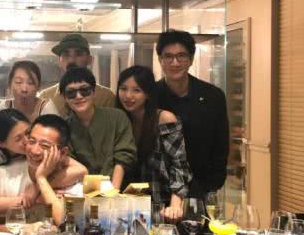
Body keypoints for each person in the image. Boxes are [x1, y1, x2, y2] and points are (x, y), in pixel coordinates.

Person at [0, 109, 87, 225]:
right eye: (31, 141)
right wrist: (36, 200)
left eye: (45, 145)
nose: (34, 150)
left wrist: (40, 181)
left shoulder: (72, 182)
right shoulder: (4, 174)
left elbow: (65, 224)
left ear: (63, 153)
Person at [155, 30, 229, 197]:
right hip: (160, 189)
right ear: (160, 60)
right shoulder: (151, 96)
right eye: (168, 56)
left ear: (191, 59)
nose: (175, 63)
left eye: (181, 56)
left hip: (202, 187)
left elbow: (221, 144)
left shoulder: (213, 96)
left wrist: (213, 183)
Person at [116, 65, 192, 220]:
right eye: (123, 89)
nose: (128, 95)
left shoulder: (164, 119)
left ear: (148, 94)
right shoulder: (117, 120)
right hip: (124, 205)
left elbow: (179, 166)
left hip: (160, 204)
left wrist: (175, 205)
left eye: (136, 90)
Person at [61, 66, 137, 190]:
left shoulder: (117, 117)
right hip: (80, 190)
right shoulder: (64, 128)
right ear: (64, 97)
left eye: (84, 90)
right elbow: (70, 164)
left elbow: (124, 156)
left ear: (93, 91)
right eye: (71, 93)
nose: (78, 96)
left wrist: (113, 191)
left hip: (118, 189)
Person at [40, 33, 115, 116]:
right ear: (59, 61)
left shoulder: (106, 96)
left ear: (90, 59)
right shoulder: (46, 97)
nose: (71, 60)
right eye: (66, 54)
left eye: (78, 54)